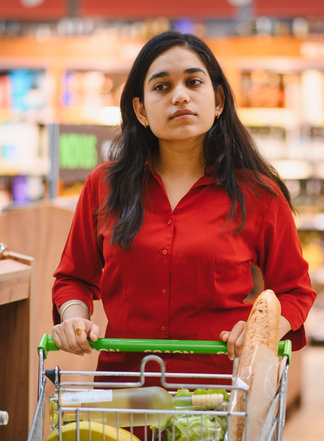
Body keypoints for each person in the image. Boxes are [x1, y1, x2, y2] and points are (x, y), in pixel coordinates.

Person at [52, 31, 316, 381]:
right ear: (141, 109)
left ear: (218, 100)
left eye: (193, 82)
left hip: (220, 397)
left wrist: (258, 332)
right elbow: (73, 276)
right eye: (162, 87)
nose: (179, 96)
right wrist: (73, 315)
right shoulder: (105, 185)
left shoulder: (258, 193)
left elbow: (294, 290)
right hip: (124, 395)